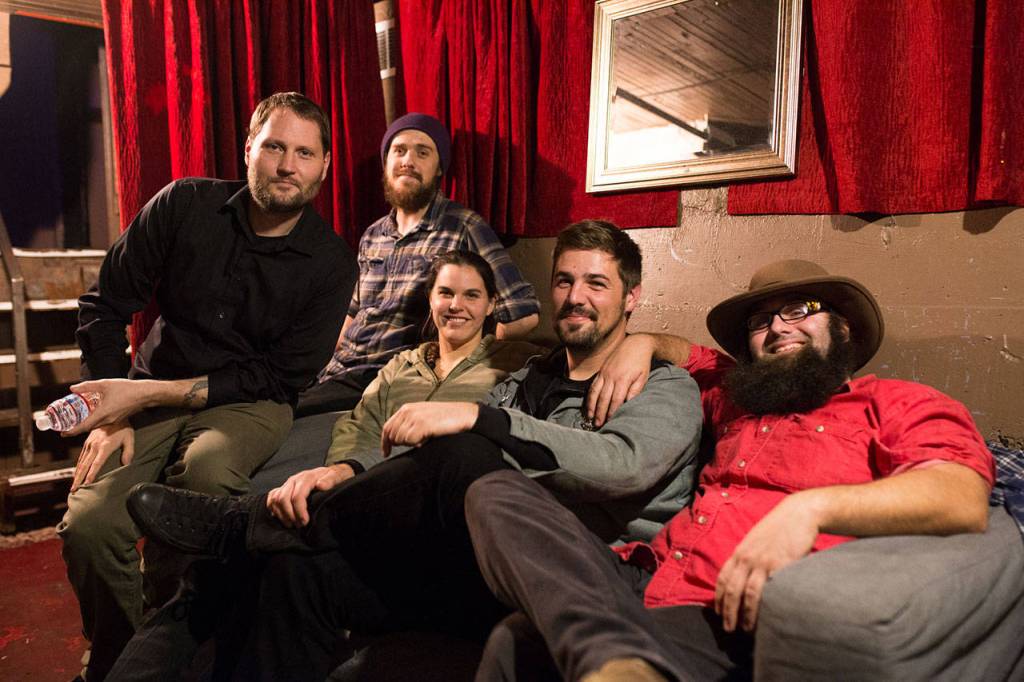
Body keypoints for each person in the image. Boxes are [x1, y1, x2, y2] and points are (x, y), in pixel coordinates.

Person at [122, 220, 703, 681]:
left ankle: (245, 523)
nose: (576, 297)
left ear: (631, 297)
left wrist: (482, 418)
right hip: (482, 564)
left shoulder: (666, 386)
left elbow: (622, 466)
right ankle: (251, 537)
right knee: (292, 571)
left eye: (596, 284)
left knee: (465, 451)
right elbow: (423, 469)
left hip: (580, 575)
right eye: (565, 281)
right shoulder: (529, 378)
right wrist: (347, 470)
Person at [462, 259, 995, 681]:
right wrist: (643, 342)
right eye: (761, 322)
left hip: (733, 612)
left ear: (844, 327)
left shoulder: (896, 402)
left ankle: (615, 657)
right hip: (644, 574)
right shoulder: (735, 397)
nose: (778, 328)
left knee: (518, 642)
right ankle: (615, 655)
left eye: (799, 310)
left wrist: (810, 509)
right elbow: (690, 354)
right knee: (494, 491)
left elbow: (960, 495)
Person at [58, 92, 357, 682]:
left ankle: (177, 647)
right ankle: (124, 661)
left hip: (251, 402)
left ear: (325, 165)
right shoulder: (184, 204)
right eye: (274, 147)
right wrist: (109, 411)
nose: (287, 166)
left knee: (207, 475)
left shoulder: (331, 262)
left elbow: (281, 376)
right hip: (148, 388)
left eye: (304, 153)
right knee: (89, 526)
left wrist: (143, 397)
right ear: (248, 149)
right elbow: (104, 306)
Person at [295, 112, 540, 417]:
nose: (408, 161)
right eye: (399, 151)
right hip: (337, 372)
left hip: (391, 375)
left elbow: (523, 314)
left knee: (290, 419)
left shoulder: (464, 227)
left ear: (439, 169)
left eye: (422, 152)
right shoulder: (373, 234)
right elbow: (353, 313)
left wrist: (466, 365)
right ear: (386, 163)